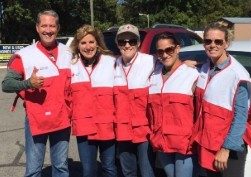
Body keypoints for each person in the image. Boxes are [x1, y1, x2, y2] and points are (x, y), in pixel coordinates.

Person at [2, 10, 72, 177]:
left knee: (61, 167)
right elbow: (6, 84)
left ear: (58, 28)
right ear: (37, 28)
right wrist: (28, 83)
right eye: (44, 26)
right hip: (36, 119)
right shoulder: (26, 55)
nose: (48, 30)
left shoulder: (68, 52)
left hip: (62, 119)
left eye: (52, 26)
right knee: (33, 170)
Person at [191, 22, 251, 177]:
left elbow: (241, 116)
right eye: (208, 41)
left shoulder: (238, 75)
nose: (212, 45)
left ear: (226, 44)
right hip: (207, 143)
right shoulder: (205, 68)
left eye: (218, 41)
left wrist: (226, 148)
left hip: (227, 148)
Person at [147, 32, 199, 177]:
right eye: (160, 51)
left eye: (169, 50)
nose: (165, 55)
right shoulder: (153, 76)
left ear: (177, 49)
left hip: (184, 144)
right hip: (162, 143)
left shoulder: (192, 74)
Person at [69, 24, 117, 177]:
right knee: (89, 171)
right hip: (84, 127)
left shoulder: (111, 62)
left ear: (97, 43)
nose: (88, 46)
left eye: (91, 42)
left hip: (107, 125)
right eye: (83, 43)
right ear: (77, 45)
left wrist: (182, 64)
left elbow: (136, 68)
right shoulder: (71, 65)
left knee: (109, 168)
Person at [114, 24, 156, 177]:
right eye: (122, 41)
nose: (127, 45)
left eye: (131, 41)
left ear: (138, 43)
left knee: (147, 172)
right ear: (117, 44)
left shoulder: (151, 61)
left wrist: (187, 64)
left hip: (144, 130)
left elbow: (170, 65)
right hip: (122, 129)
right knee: (128, 172)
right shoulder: (112, 64)